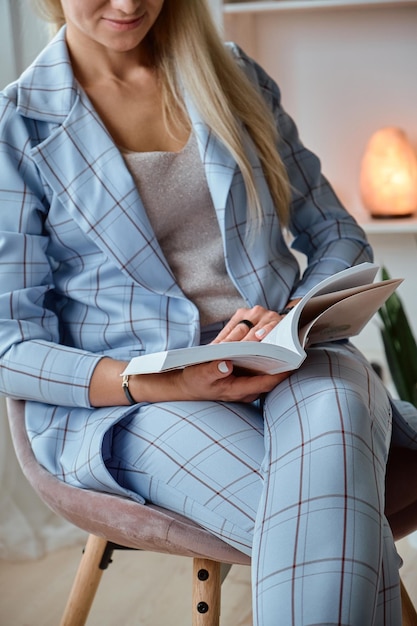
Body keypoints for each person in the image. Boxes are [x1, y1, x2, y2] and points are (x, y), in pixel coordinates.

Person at [1, 1, 416, 624]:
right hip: (138, 402)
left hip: (292, 359)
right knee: (331, 518)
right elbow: (10, 344)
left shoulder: (232, 75)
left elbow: (336, 233)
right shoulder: (18, 124)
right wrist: (154, 379)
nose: (128, 3)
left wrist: (293, 317)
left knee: (333, 423)